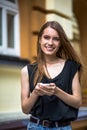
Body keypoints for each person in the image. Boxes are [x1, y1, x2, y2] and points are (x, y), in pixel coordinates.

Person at [21, 21, 83, 130]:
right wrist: (35, 92)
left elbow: (77, 103)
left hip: (62, 128)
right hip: (35, 127)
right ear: (40, 39)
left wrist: (56, 91)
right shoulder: (27, 71)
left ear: (61, 42)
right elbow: (25, 109)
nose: (50, 42)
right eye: (46, 37)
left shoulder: (71, 67)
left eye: (56, 39)